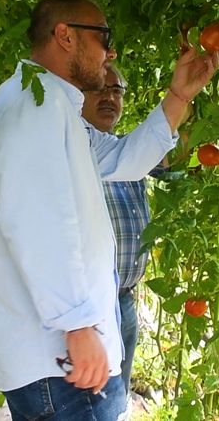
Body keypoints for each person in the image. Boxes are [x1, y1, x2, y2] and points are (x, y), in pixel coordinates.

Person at [0, 0, 219, 420]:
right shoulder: (35, 105)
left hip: (59, 357)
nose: (111, 52)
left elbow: (125, 161)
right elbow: (36, 221)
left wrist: (178, 97)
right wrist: (77, 324)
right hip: (56, 361)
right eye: (104, 37)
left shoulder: (51, 106)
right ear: (65, 36)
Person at [80, 65, 162, 401]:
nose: (109, 97)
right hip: (88, 307)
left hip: (125, 300)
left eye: (116, 91)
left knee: (114, 400)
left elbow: (173, 163)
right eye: (99, 88)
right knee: (87, 402)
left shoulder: (127, 151)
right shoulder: (73, 147)